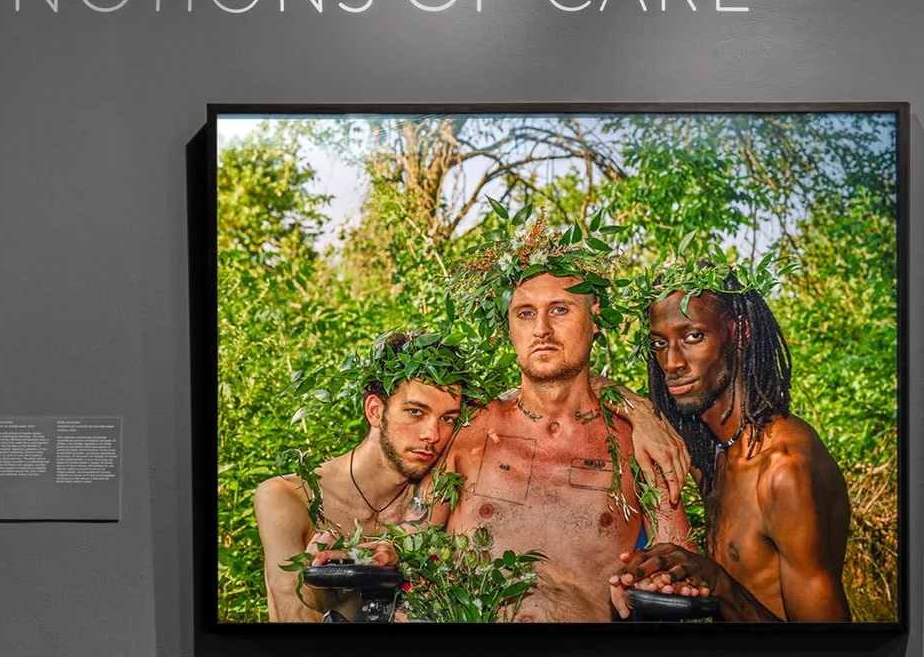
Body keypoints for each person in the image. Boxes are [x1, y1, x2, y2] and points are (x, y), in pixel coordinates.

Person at [437, 265, 690, 622]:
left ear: (595, 318)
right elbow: (405, 537)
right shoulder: (466, 428)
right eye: (525, 314)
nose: (541, 329)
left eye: (559, 309)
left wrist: (651, 577)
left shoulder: (639, 444)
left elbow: (679, 558)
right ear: (509, 328)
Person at [607, 275, 854, 622]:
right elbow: (588, 384)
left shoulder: (783, 473)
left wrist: (720, 585)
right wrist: (643, 413)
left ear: (739, 334)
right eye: (660, 344)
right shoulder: (713, 448)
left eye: (693, 337)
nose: (672, 363)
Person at [250, 333, 468, 622]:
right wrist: (331, 586)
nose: (433, 435)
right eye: (415, 412)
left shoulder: (436, 495)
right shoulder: (289, 496)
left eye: (448, 418)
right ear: (375, 411)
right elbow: (292, 608)